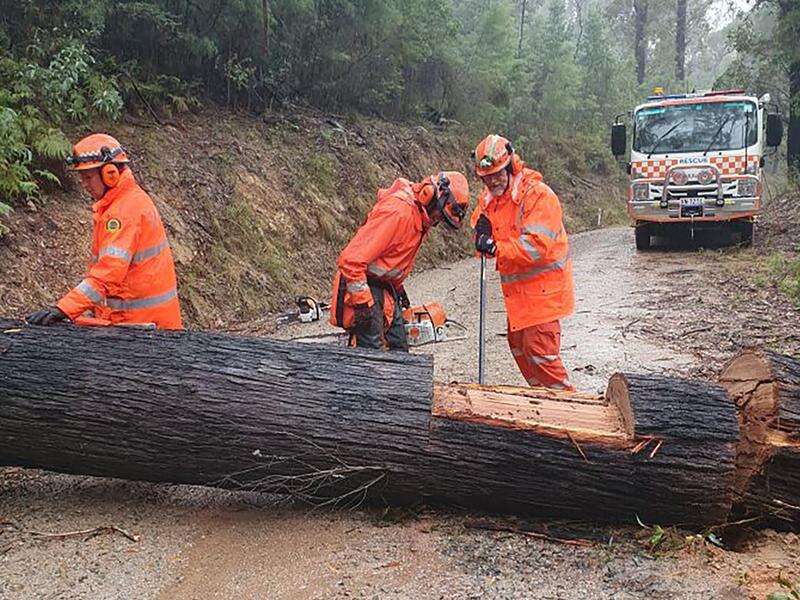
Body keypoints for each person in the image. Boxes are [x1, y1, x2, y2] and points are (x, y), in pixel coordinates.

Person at [26, 133, 182, 330]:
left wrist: (65, 309)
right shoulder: (122, 202)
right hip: (142, 322)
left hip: (143, 326)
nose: (84, 185)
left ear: (110, 174)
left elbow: (108, 274)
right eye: (82, 178)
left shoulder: (123, 212)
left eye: (88, 178)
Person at [471, 134, 574, 389]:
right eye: (486, 177)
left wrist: (495, 247)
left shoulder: (538, 195)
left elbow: (536, 247)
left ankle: (569, 412)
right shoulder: (490, 200)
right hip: (518, 300)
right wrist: (480, 233)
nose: (492, 181)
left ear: (510, 166)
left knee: (542, 357)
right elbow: (482, 234)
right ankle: (543, 408)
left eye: (497, 174)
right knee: (521, 350)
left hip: (543, 297)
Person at [330, 171, 469, 350]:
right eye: (439, 215)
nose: (437, 220)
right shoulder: (398, 212)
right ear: (430, 196)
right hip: (361, 287)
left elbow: (389, 259)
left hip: (383, 289)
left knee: (399, 349)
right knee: (372, 357)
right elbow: (350, 260)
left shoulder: (418, 218)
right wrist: (362, 303)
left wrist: (398, 288)